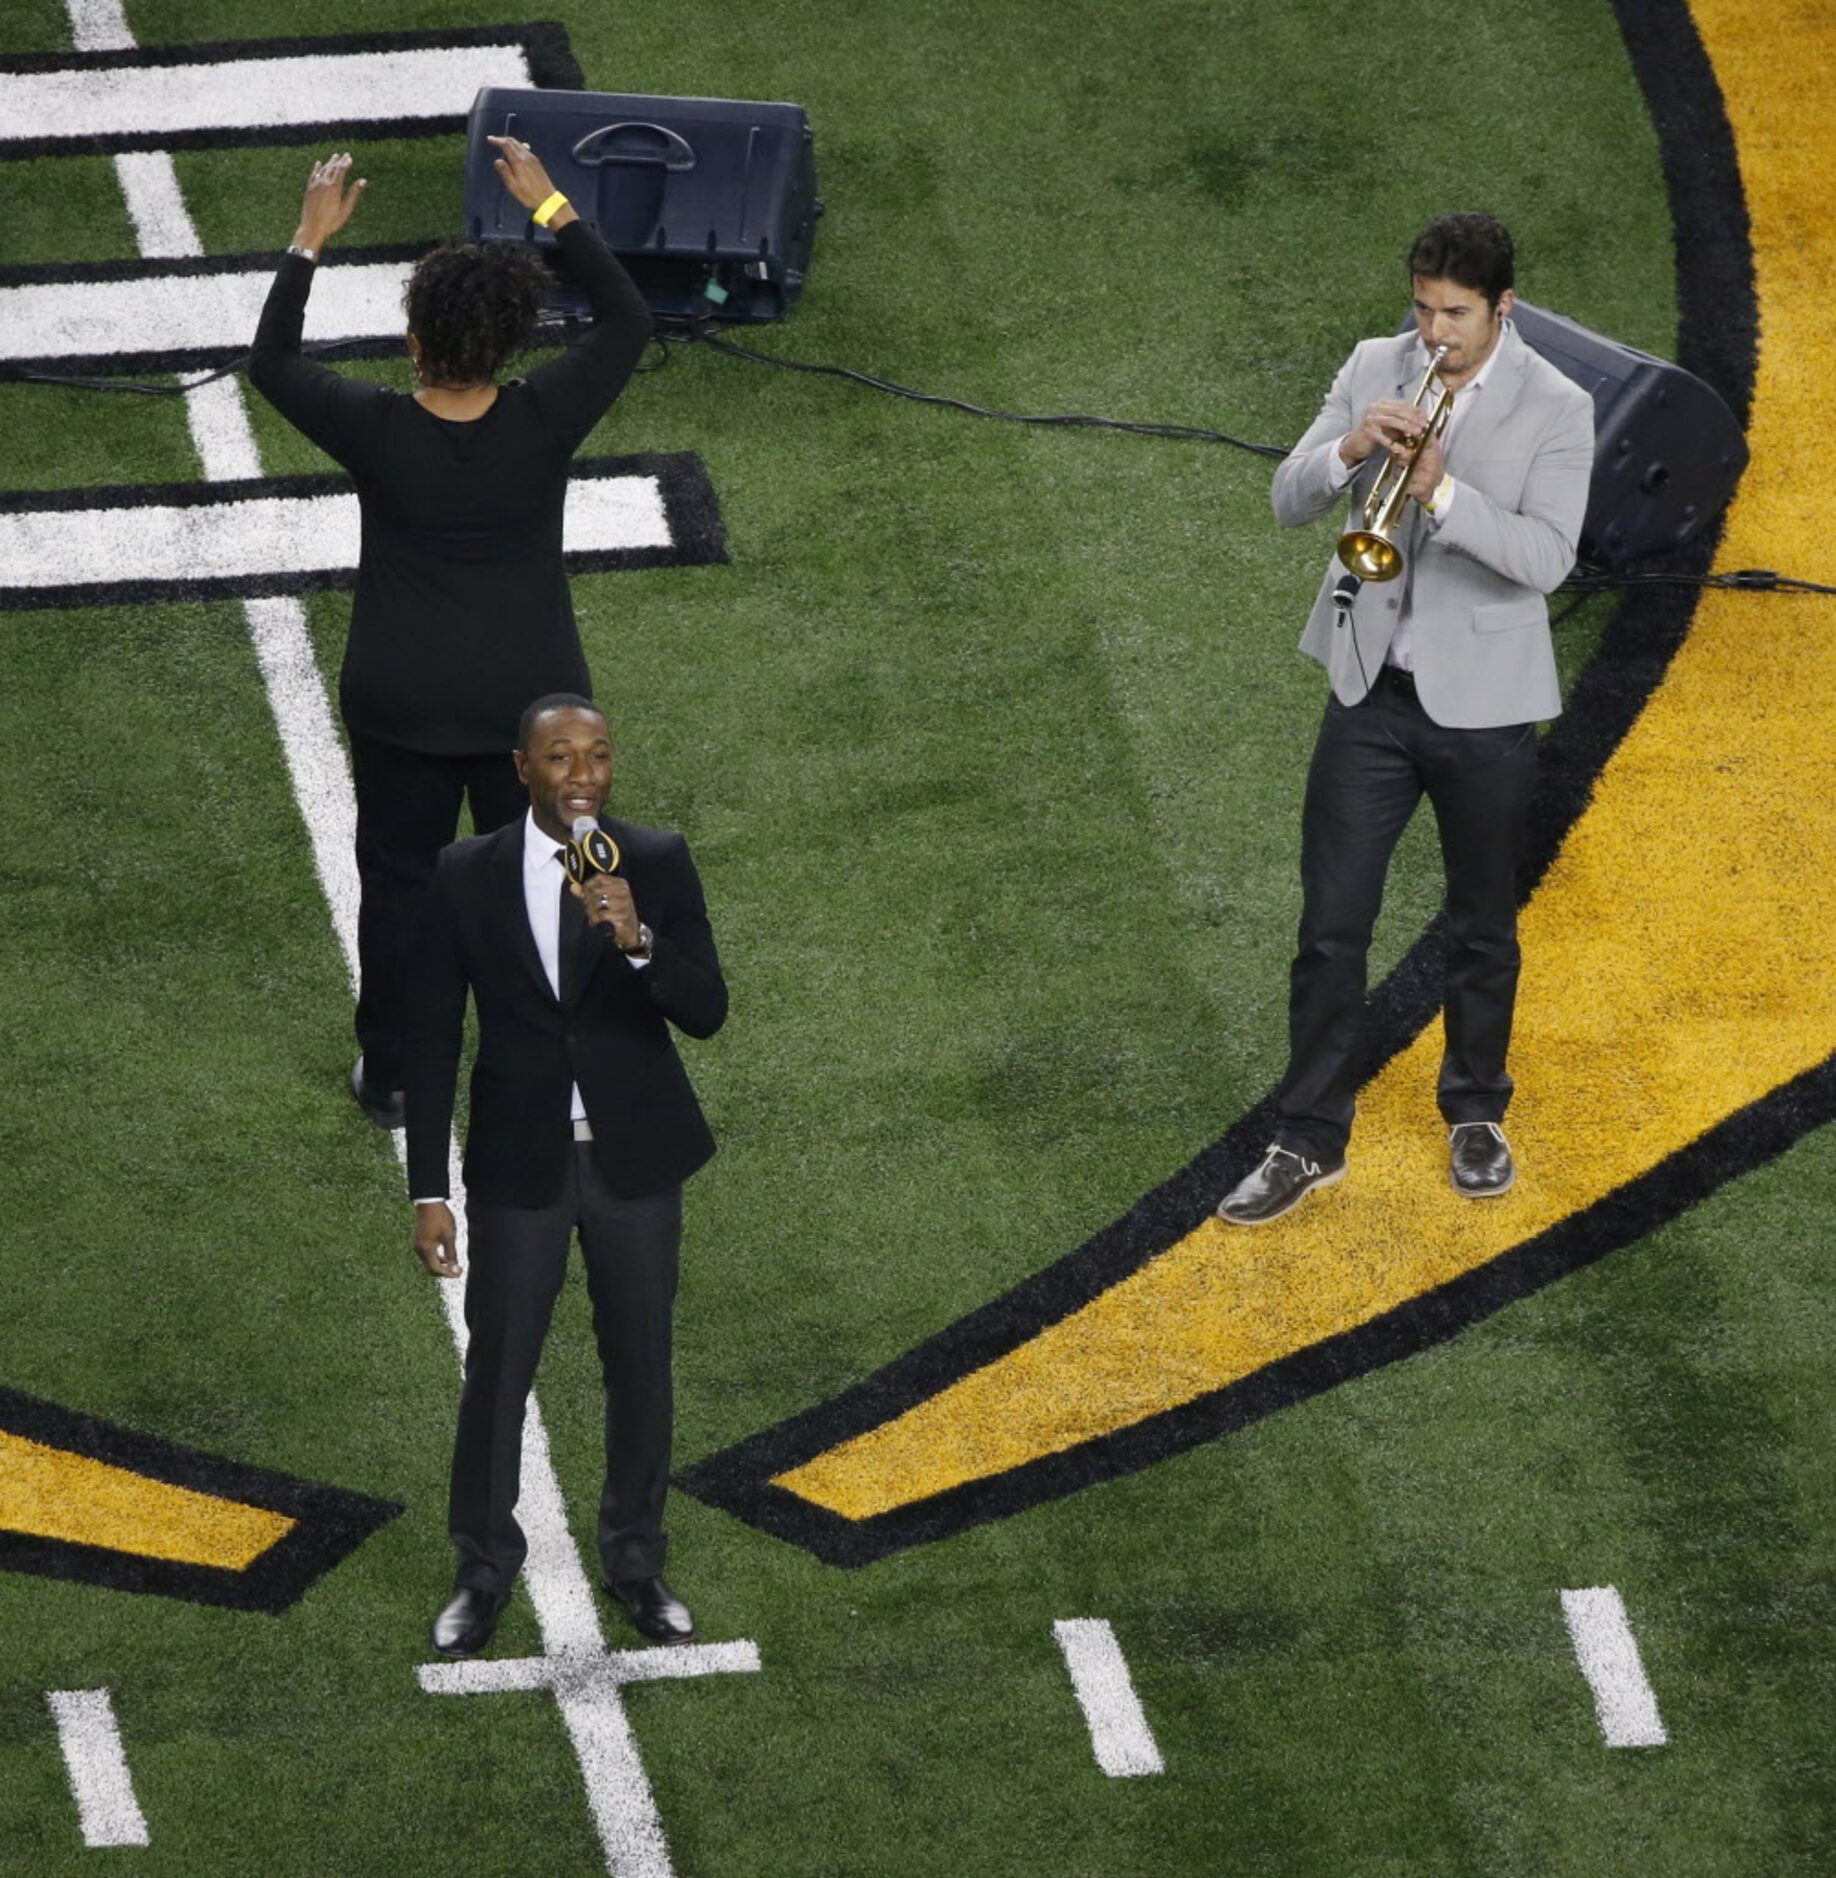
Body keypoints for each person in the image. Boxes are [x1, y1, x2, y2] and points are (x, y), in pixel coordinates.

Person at [248, 143, 654, 1129]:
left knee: (401, 893)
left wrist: (308, 240)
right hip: (533, 707)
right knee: (559, 886)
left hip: (403, 698)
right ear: (512, 338)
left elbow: (271, 362)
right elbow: (630, 318)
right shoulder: (546, 415)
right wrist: (551, 204)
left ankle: (389, 1074)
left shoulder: (375, 426)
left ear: (417, 338)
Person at [1217, 213, 1595, 1227]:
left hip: (1486, 713)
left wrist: (1445, 493)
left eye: (1457, 314)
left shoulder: (1558, 406)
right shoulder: (1375, 364)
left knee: (1481, 926)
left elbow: (1549, 559)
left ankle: (1475, 1112)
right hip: (1369, 695)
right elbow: (1288, 499)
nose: (1435, 333)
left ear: (1502, 308)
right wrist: (1349, 446)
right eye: (1424, 308)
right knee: (1330, 927)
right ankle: (1306, 1140)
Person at [405, 694, 727, 1656]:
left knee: (641, 1367)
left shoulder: (655, 861)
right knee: (497, 1372)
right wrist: (430, 1189)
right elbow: (431, 1038)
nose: (582, 774)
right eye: (560, 757)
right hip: (520, 1163)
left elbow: (706, 1009)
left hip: (635, 1162)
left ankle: (637, 1562)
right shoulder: (466, 874)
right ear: (522, 768)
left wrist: (638, 944)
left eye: (596, 755)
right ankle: (483, 1567)